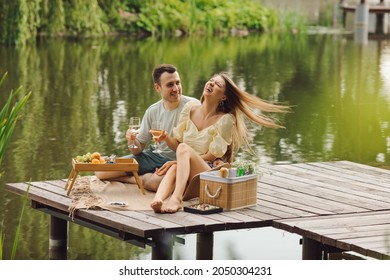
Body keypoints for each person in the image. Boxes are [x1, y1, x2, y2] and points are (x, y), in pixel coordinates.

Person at [150, 72, 290, 213]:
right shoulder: (190, 109)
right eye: (211, 80)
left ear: (223, 96)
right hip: (186, 171)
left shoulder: (225, 120)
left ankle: (176, 199)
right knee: (177, 161)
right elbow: (178, 147)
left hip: (207, 171)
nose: (211, 83)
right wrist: (166, 138)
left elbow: (211, 156)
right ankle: (158, 200)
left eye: (217, 84)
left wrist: (177, 161)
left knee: (182, 151)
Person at [95, 64, 199, 191]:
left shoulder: (193, 107)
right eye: (170, 85)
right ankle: (140, 178)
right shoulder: (152, 111)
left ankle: (138, 179)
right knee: (101, 171)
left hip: (179, 162)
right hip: (154, 157)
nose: (176, 88)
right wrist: (131, 140)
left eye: (178, 83)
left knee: (154, 184)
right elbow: (136, 150)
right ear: (157, 87)